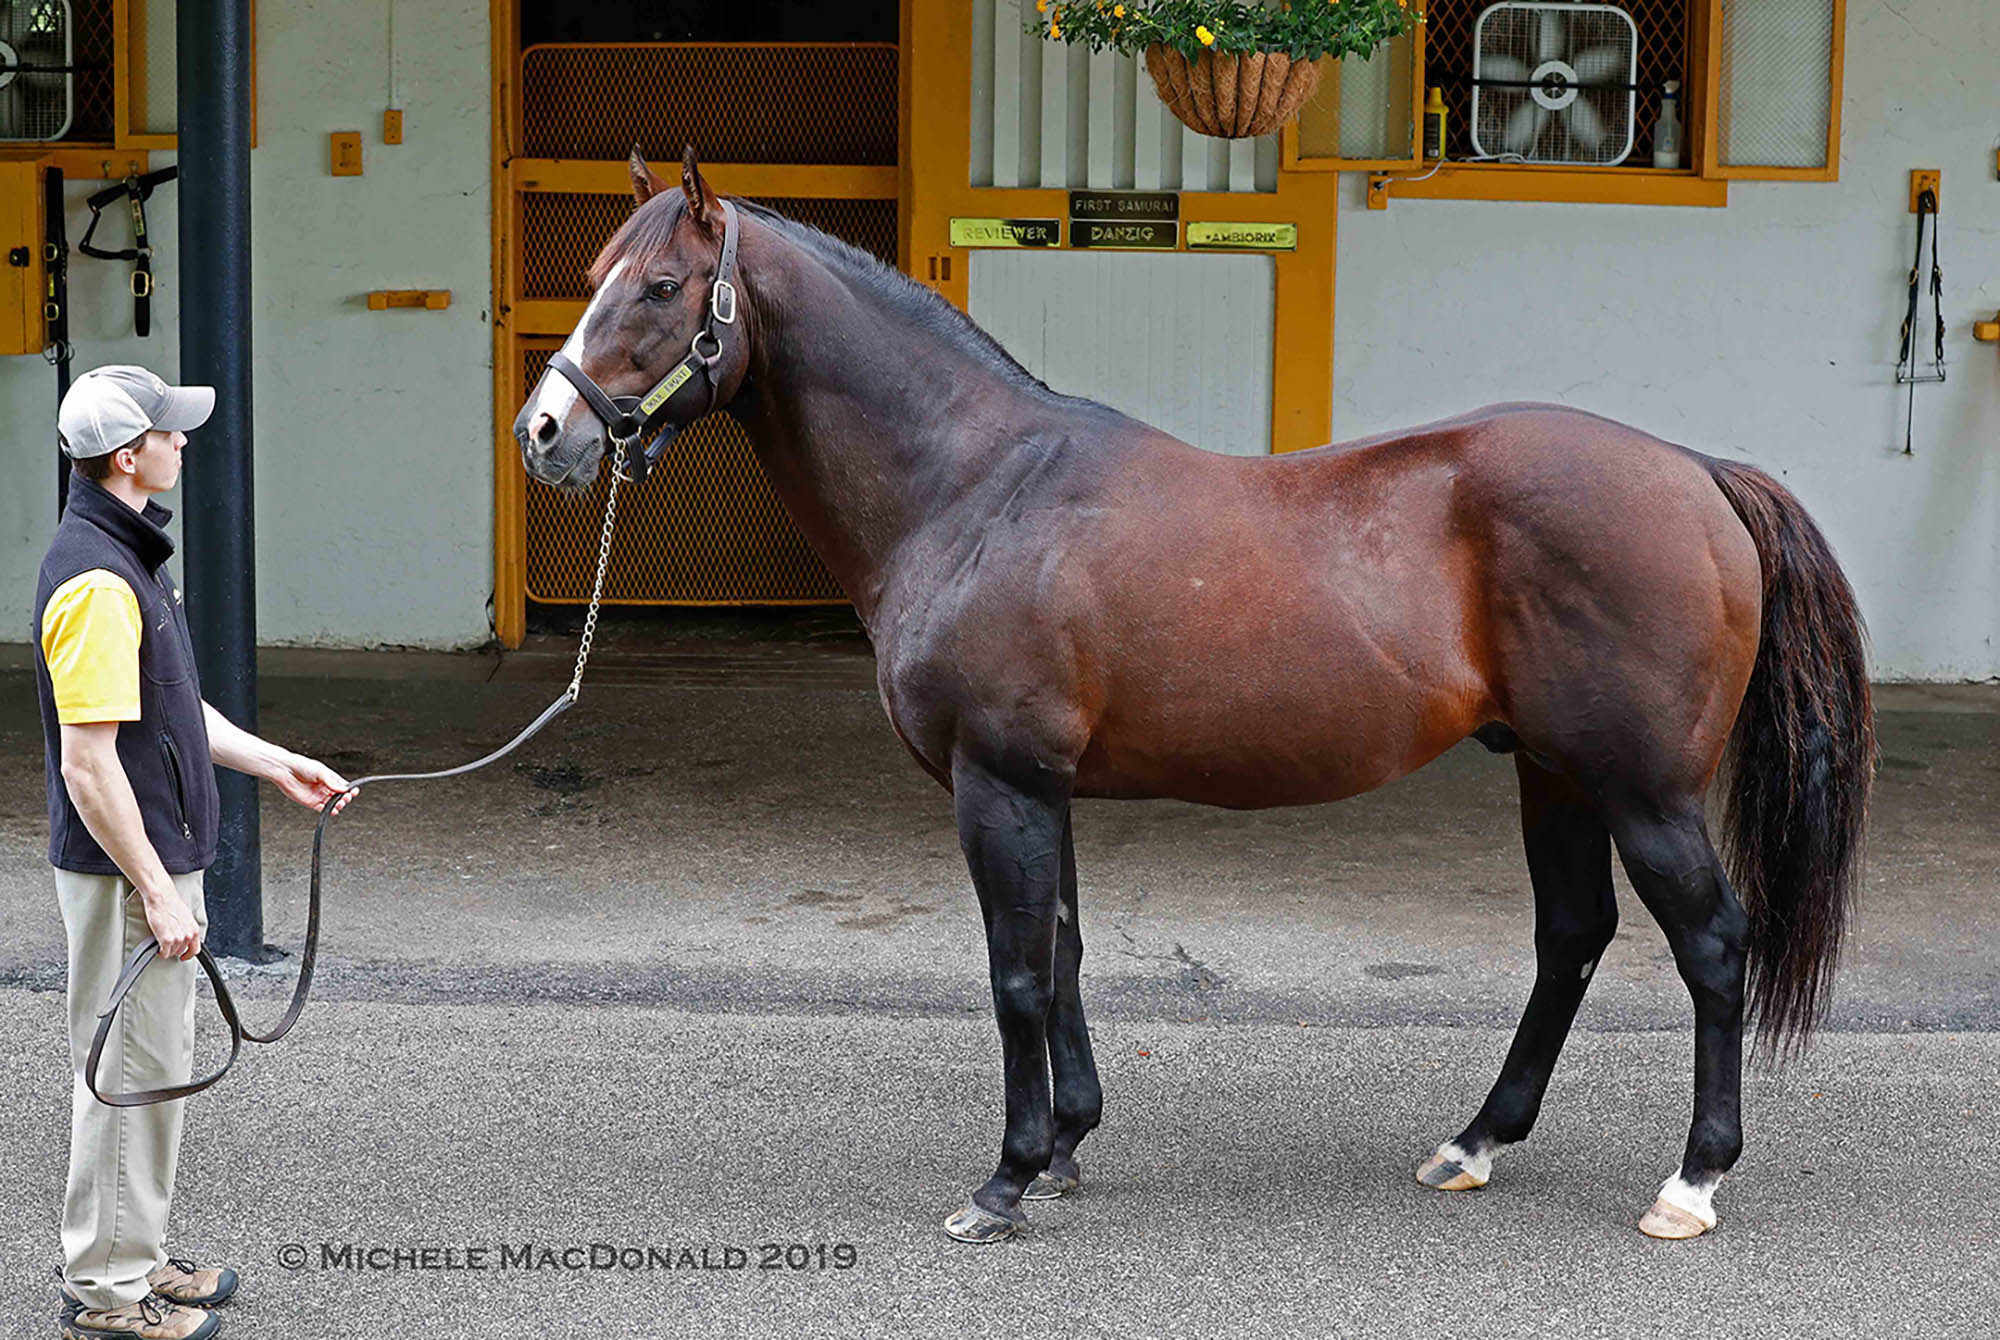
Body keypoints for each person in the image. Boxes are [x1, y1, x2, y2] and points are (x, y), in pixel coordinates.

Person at [36, 365, 355, 1340]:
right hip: (131, 869)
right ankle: (105, 1293)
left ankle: (134, 1256)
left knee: (153, 1064)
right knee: (126, 1070)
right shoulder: (96, 579)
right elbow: (90, 765)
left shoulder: (128, 554)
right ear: (130, 457)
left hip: (153, 861)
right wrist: (155, 892)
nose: (186, 441)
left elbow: (170, 711)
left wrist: (277, 761)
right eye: (172, 432)